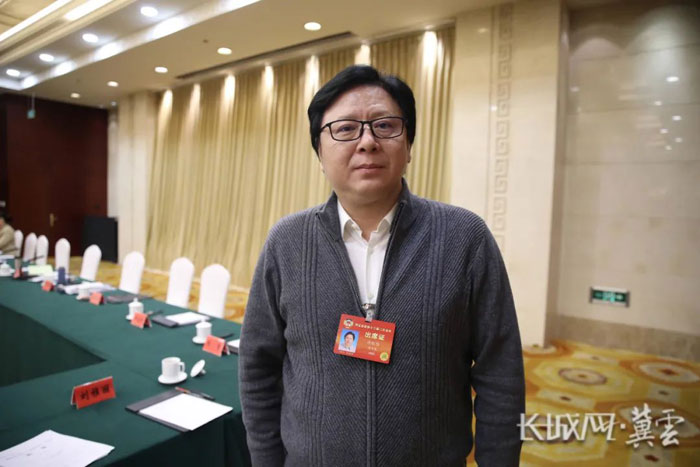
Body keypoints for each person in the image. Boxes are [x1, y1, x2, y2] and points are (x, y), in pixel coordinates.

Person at [239, 65, 525, 466]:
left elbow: (501, 375)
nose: (367, 142)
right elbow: (258, 366)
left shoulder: (465, 238)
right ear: (319, 152)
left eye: (385, 126)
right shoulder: (287, 242)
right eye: (345, 129)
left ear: (408, 146)